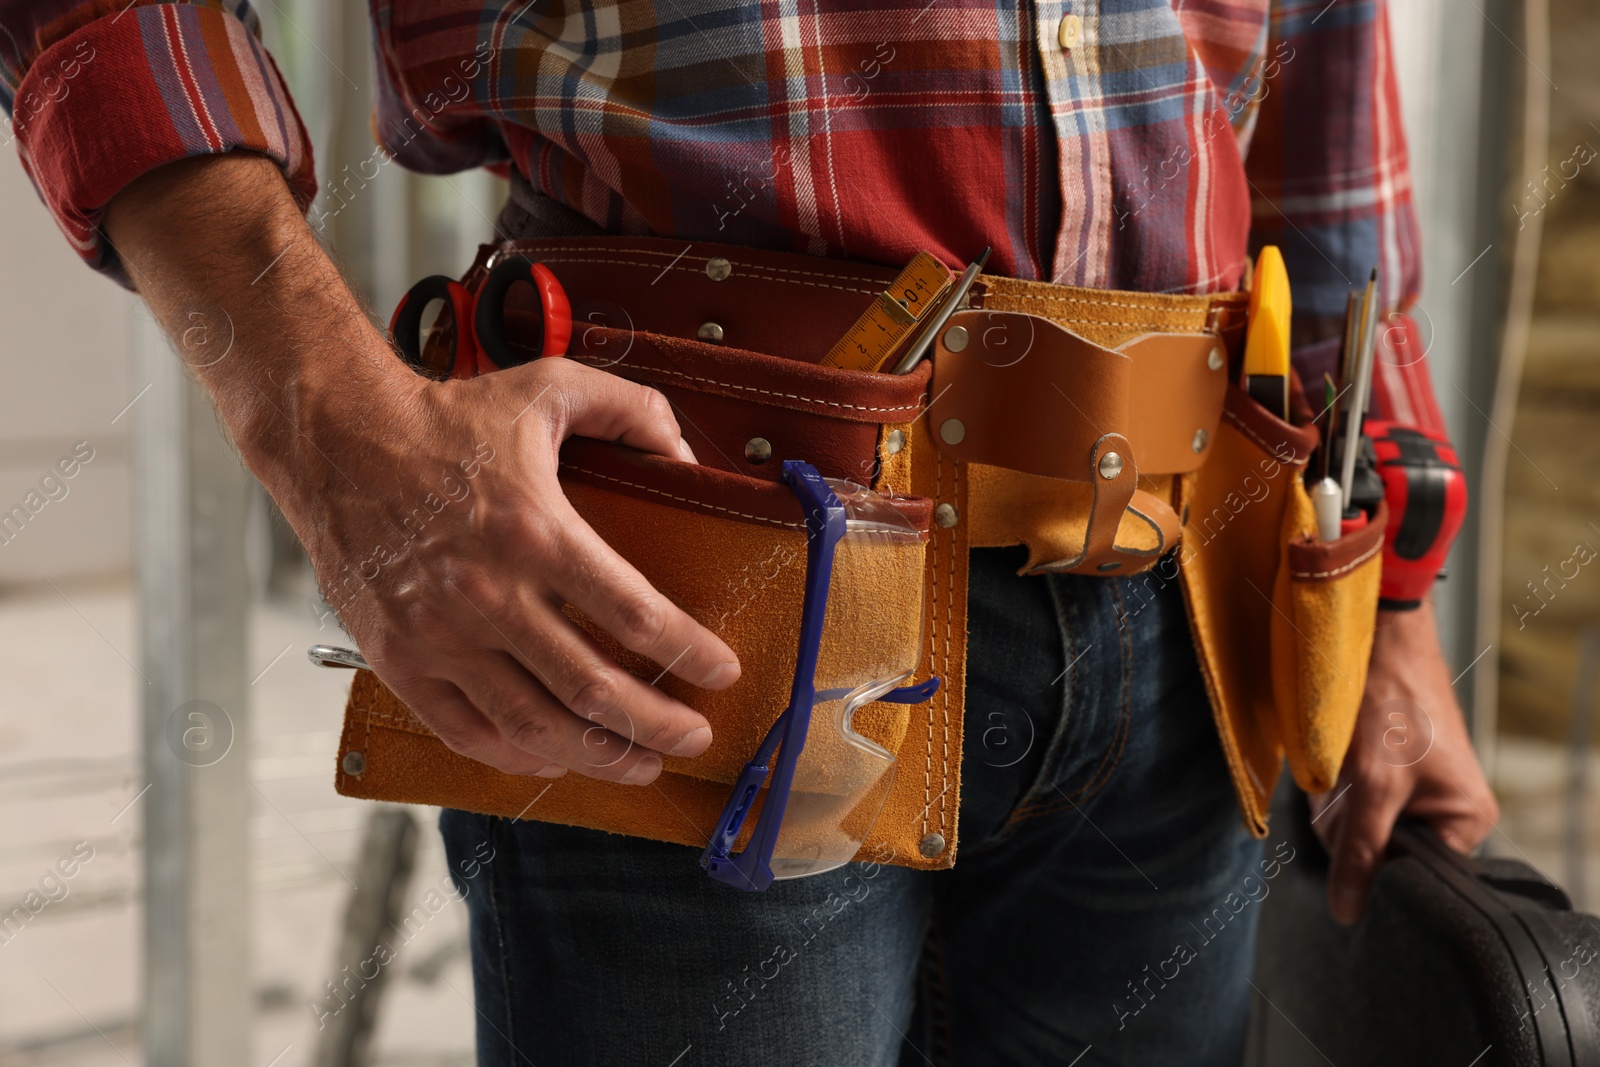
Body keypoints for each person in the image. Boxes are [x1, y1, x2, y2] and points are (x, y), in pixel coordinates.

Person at [2, 1, 1497, 1063]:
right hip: (707, 568)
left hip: (1195, 606)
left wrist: (1391, 582)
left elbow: (1326, 78)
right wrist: (323, 421)